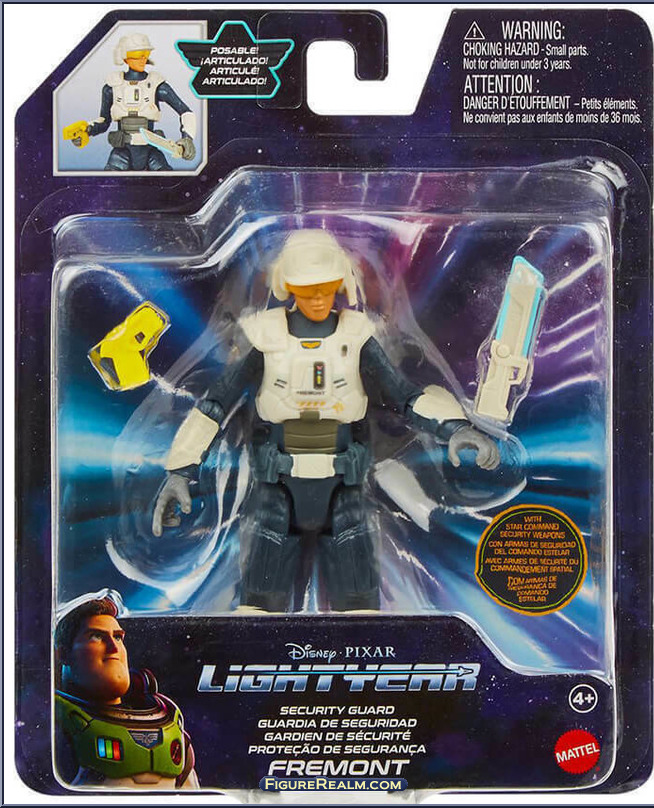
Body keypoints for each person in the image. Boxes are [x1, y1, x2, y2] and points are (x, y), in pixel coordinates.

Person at [152, 229, 500, 612]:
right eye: (308, 290)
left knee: (359, 602)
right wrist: (180, 471)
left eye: (326, 288)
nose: (318, 298)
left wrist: (455, 427)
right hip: (278, 486)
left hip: (344, 485)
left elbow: (405, 395)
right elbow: (215, 404)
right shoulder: (265, 337)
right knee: (259, 601)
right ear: (287, 287)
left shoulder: (356, 336)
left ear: (341, 283)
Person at [54, 597, 198, 788]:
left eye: (118, 637)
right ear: (63, 654)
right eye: (96, 636)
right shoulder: (57, 728)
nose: (114, 647)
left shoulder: (169, 723)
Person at [67, 33, 196, 171]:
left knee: (165, 177)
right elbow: (104, 121)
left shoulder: (157, 85)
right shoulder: (112, 87)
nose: (143, 59)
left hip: (150, 150)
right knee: (111, 178)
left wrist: (187, 139)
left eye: (146, 53)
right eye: (138, 54)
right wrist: (87, 130)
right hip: (122, 151)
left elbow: (185, 112)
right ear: (124, 56)